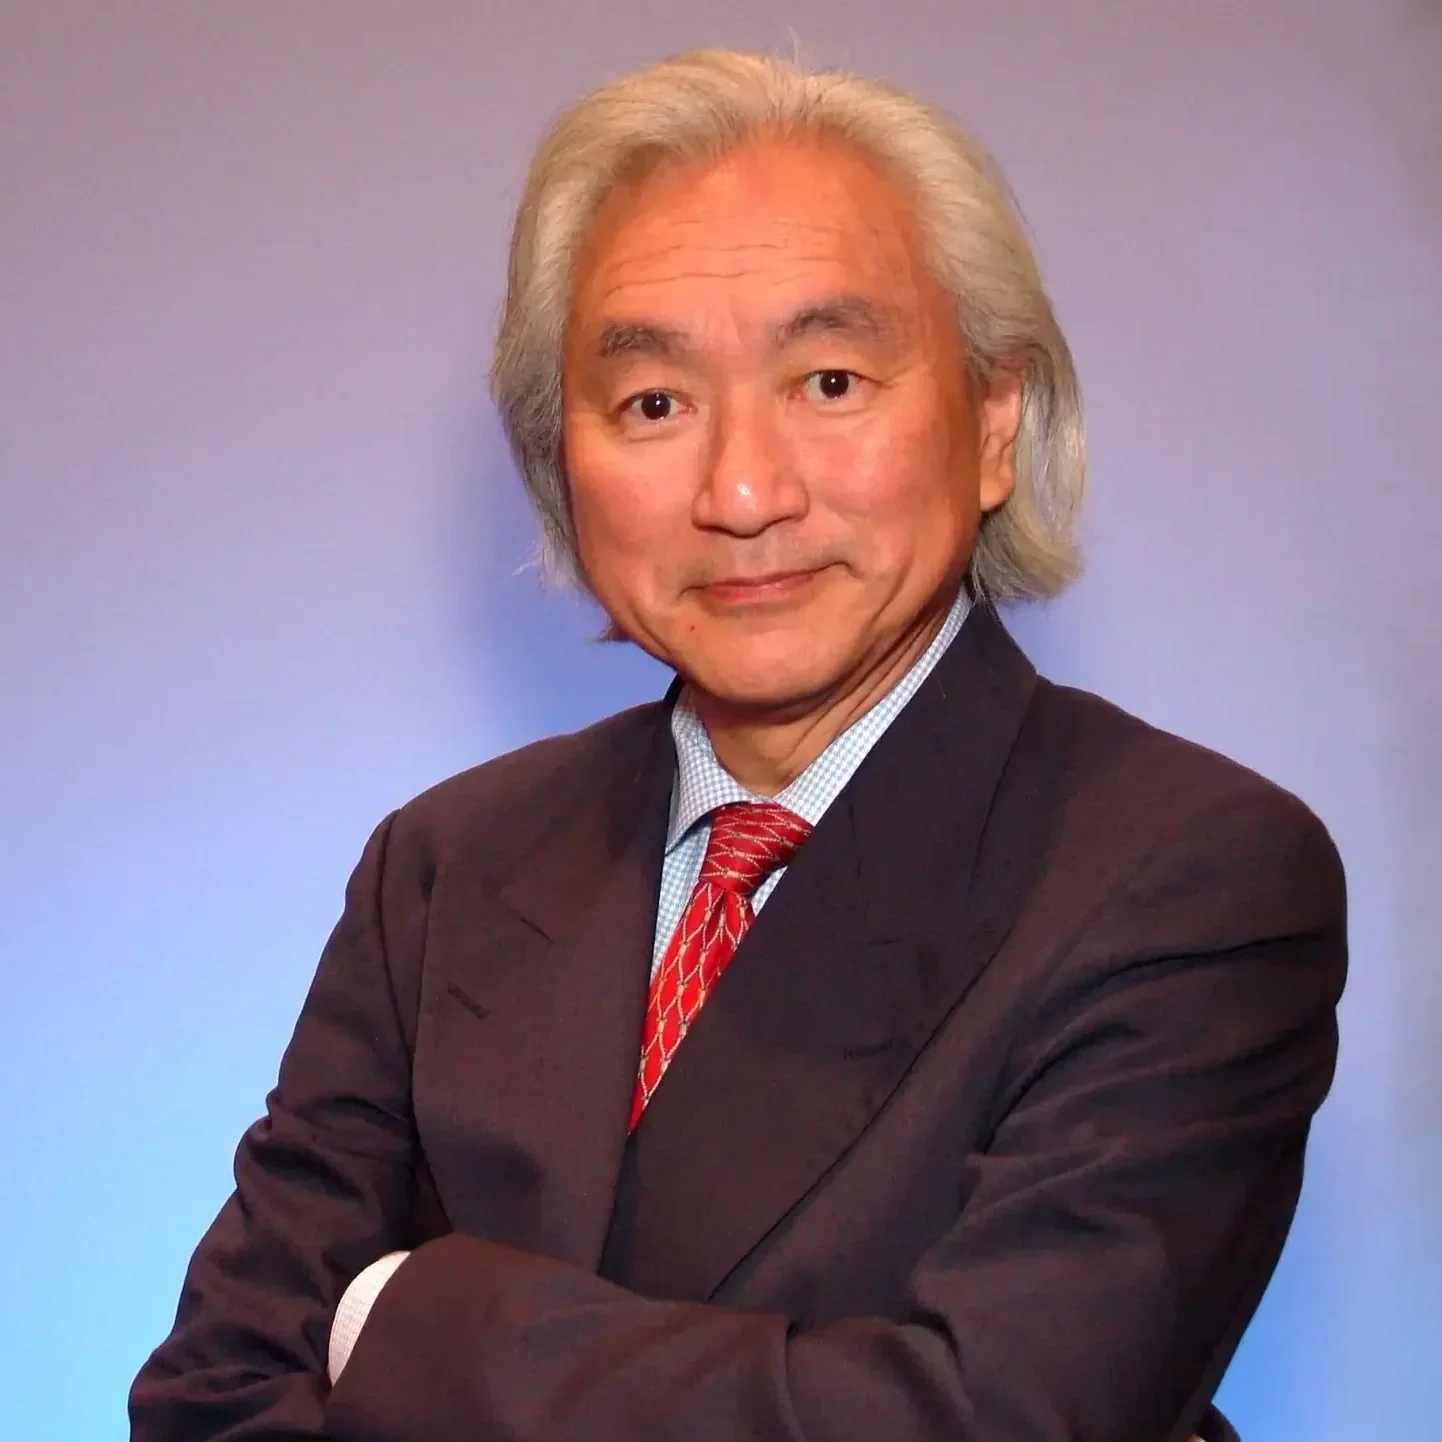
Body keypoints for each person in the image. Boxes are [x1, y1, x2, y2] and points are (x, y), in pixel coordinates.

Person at [129, 49, 1346, 1442]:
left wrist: (419, 1322)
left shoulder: (1182, 875)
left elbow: (994, 1417)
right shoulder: (450, 864)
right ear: (560, 458)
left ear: (992, 419)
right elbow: (214, 1397)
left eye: (828, 380)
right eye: (654, 403)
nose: (744, 490)